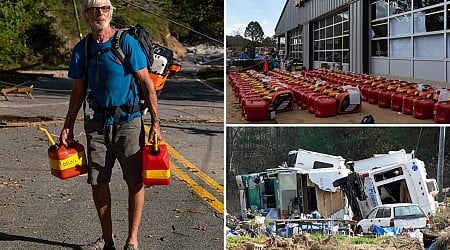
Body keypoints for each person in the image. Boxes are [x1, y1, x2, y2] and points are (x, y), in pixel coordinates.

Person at [59, 0, 161, 249]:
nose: (100, 14)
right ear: (86, 15)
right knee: (98, 181)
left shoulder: (126, 42)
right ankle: (107, 241)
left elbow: (147, 83)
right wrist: (68, 125)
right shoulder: (81, 49)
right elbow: (78, 89)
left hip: (129, 121)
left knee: (135, 181)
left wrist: (156, 123)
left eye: (104, 8)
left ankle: (132, 240)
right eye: (94, 9)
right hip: (96, 124)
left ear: (111, 12)